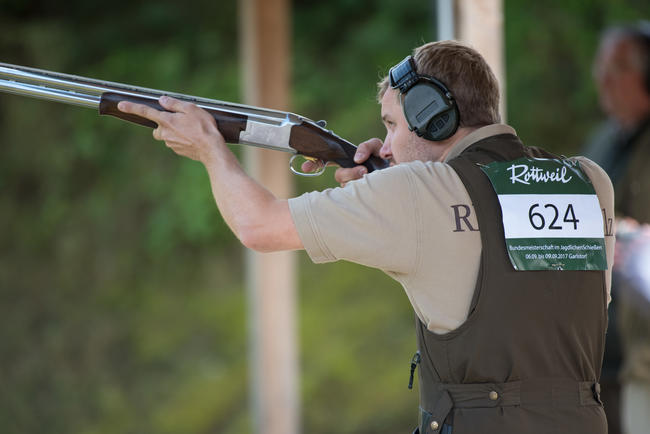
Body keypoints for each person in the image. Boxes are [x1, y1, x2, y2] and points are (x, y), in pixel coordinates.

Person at [118, 41, 615, 433]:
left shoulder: (416, 193)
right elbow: (493, 262)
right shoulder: (591, 182)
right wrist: (387, 190)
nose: (388, 141)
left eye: (394, 124)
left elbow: (259, 226)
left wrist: (210, 149)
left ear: (432, 117)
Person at [586, 22, 650, 434]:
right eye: (602, 65)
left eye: (620, 66)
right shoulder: (603, 139)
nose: (604, 78)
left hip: (642, 351)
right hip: (599, 350)